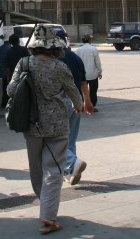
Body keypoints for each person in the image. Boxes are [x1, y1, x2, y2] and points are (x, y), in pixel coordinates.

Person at [7, 25, 83, 235]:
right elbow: (73, 92)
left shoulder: (24, 64)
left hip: (31, 125)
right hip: (57, 125)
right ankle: (48, 216)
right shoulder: (60, 67)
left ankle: (46, 207)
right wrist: (79, 105)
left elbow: (11, 90)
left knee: (37, 169)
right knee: (54, 170)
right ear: (53, 48)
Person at [57, 30, 93, 186]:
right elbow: (84, 82)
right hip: (77, 103)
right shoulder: (76, 58)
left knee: (56, 141)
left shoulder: (56, 59)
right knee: (70, 140)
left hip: (61, 103)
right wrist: (87, 101)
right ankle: (70, 172)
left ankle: (73, 163)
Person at [75, 34, 103, 111]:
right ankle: (92, 106)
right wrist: (100, 72)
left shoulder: (78, 50)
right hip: (92, 74)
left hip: (82, 75)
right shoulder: (93, 49)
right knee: (93, 91)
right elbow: (97, 62)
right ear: (90, 40)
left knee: (82, 91)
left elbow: (76, 62)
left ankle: (82, 105)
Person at [0, 33, 13, 108]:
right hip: (10, 72)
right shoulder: (10, 49)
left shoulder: (0, 49)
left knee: (4, 88)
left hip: (3, 72)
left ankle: (4, 103)